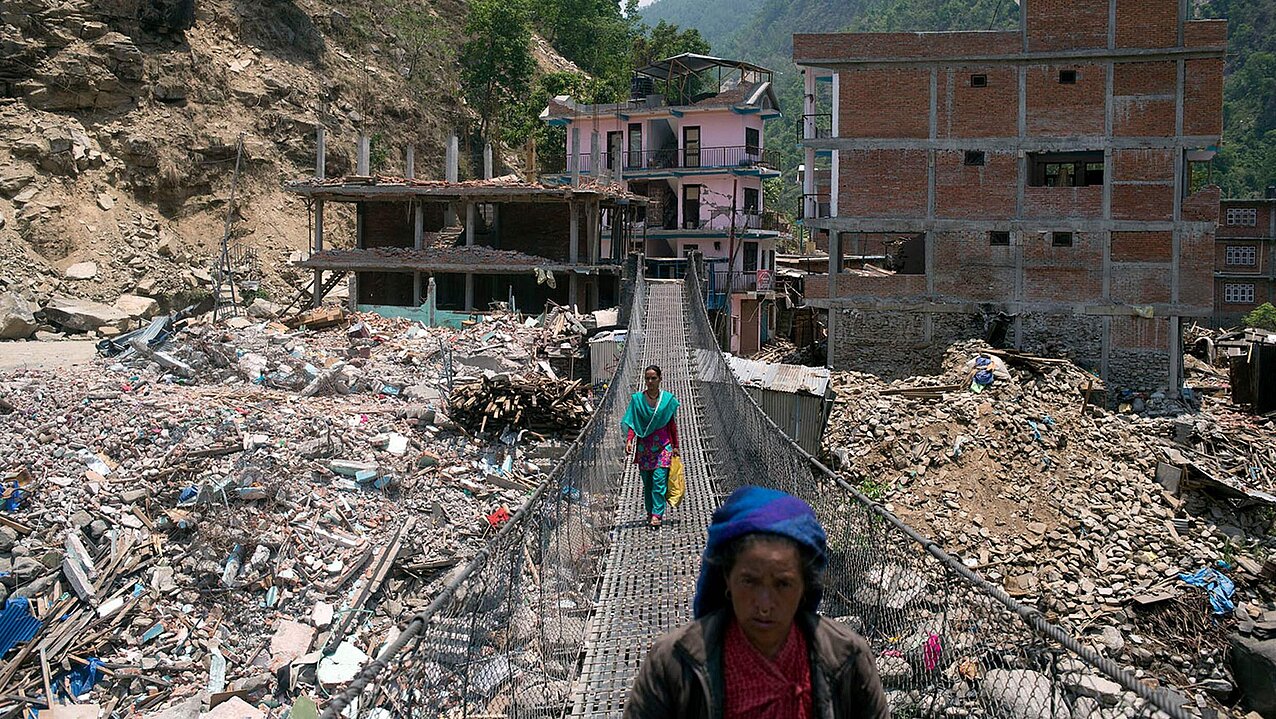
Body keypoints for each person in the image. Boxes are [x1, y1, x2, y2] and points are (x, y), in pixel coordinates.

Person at [624, 486, 889, 719]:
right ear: (727, 578)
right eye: (749, 581)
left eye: (783, 584)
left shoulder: (848, 658)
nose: (764, 604)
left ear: (804, 587)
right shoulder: (673, 662)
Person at [621, 365, 680, 530]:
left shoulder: (667, 400)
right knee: (648, 483)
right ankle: (650, 511)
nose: (650, 381)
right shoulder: (637, 400)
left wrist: (675, 445)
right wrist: (629, 440)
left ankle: (657, 514)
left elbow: (671, 424)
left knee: (659, 481)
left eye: (654, 378)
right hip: (644, 448)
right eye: (647, 378)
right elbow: (633, 422)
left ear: (660, 379)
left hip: (663, 447)